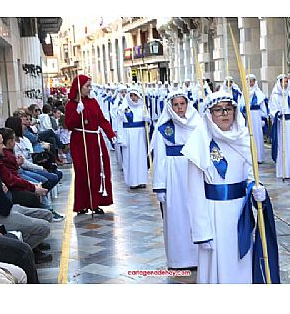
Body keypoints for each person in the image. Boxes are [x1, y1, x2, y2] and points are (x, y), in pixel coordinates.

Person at [181, 90, 279, 284]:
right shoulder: (200, 144)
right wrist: (202, 231)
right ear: (210, 114)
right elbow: (194, 192)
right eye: (218, 110)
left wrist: (257, 191)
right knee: (219, 263)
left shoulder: (244, 139)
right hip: (214, 215)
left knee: (240, 261)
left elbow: (251, 176)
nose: (224, 114)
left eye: (228, 109)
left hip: (240, 214)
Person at [0, 131, 53, 264]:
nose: (4, 147)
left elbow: (4, 199)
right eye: (1, 143)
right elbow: (5, 208)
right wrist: (2, 198)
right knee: (44, 227)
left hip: (2, 210)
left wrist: (3, 196)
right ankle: (22, 253)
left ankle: (31, 247)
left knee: (46, 215)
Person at [151, 90, 201, 269]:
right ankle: (179, 259)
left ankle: (198, 257)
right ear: (170, 106)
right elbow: (160, 159)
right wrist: (160, 186)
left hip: (194, 172)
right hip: (174, 176)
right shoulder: (164, 127)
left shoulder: (198, 123)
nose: (180, 108)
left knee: (195, 214)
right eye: (176, 104)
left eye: (182, 104)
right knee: (176, 216)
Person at [65, 74, 116, 215]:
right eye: (87, 86)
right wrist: (77, 112)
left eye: (90, 86)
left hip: (95, 140)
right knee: (82, 172)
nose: (89, 89)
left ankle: (95, 202)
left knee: (97, 171)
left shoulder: (93, 102)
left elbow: (102, 120)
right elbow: (69, 125)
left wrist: (111, 134)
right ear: (79, 87)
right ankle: (82, 204)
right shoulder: (71, 105)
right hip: (80, 141)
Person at [117, 88, 149, 189]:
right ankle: (132, 181)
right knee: (130, 157)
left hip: (140, 136)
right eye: (131, 96)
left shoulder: (142, 107)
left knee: (141, 157)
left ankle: (142, 180)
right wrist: (121, 137)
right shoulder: (123, 108)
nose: (133, 98)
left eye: (135, 95)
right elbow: (120, 124)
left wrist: (147, 119)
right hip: (129, 136)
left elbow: (148, 121)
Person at [239, 74, 268, 163]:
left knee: (258, 137)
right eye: (249, 81)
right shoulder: (244, 93)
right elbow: (241, 106)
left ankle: (258, 157)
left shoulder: (259, 94)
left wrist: (263, 118)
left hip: (257, 117)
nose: (251, 83)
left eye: (252, 81)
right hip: (249, 117)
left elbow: (263, 107)